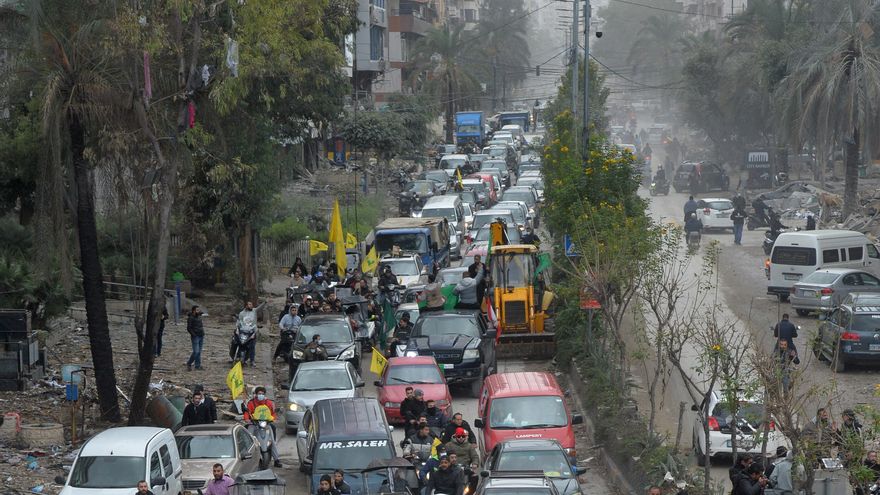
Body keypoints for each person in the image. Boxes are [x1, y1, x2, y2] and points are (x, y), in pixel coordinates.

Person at [243, 386, 282, 468]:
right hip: (254, 423)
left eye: (262, 394)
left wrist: (273, 419)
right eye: (259, 394)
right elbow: (247, 412)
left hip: (266, 423)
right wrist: (247, 419)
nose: (261, 395)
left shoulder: (269, 403)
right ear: (256, 394)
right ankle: (246, 456)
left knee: (272, 440)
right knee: (249, 437)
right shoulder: (251, 403)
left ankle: (276, 459)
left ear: (265, 395)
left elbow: (273, 413)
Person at [236, 301, 258, 367]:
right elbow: (238, 322)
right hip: (243, 331)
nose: (250, 305)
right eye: (249, 304)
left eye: (251, 304)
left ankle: (252, 360)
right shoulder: (242, 313)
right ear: (246, 305)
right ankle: (237, 356)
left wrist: (265, 302)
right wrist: (237, 329)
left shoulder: (254, 311)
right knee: (239, 343)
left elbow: (260, 308)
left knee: (252, 346)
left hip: (252, 331)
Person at [186, 305, 205, 371]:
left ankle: (197, 365)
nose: (198, 311)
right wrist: (193, 334)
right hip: (195, 336)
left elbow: (201, 312)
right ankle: (189, 363)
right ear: (193, 311)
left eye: (198, 310)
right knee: (196, 351)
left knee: (199, 352)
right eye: (197, 310)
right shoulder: (191, 318)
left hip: (201, 335)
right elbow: (189, 328)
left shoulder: (199, 316)